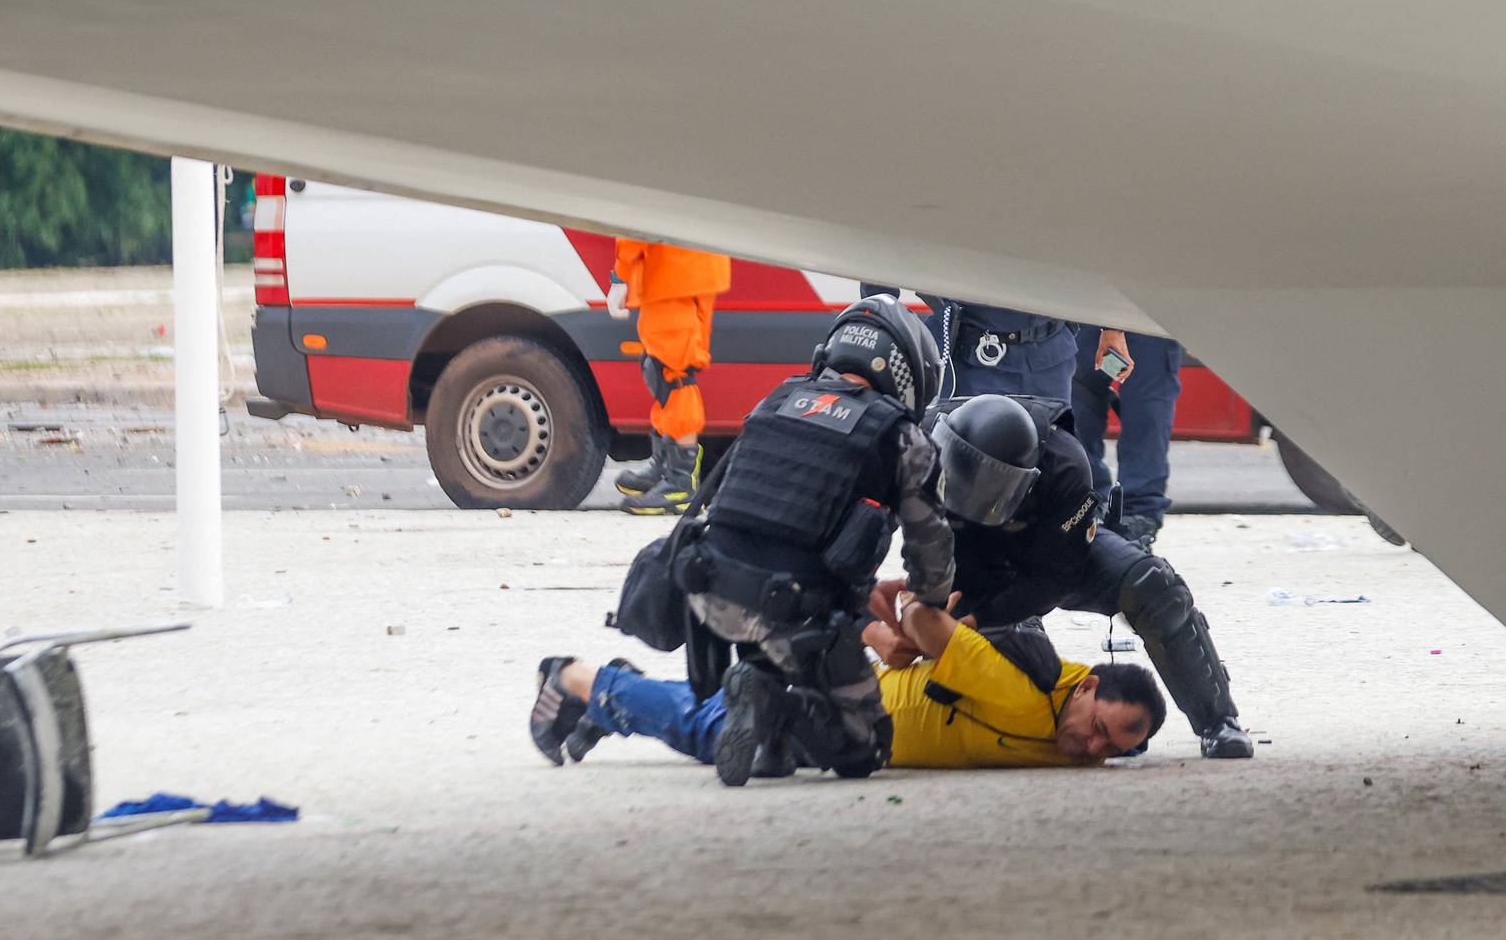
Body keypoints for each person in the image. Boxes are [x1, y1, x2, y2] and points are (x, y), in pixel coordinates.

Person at [647, 295, 956, 786]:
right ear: (905, 371)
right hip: (792, 612)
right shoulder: (900, 437)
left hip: (707, 590)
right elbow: (929, 538)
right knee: (866, 750)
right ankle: (774, 704)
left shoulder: (775, 399)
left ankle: (768, 735)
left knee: (778, 607)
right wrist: (932, 602)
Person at [870, 393, 1252, 759]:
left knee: (1152, 586)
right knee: (990, 666)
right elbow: (870, 528)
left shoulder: (1066, 465)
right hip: (960, 560)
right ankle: (1086, 726)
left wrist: (979, 619)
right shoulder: (915, 441)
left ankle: (1218, 721)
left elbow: (1054, 579)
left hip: (1046, 550)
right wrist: (900, 608)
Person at [531, 592, 1165, 773]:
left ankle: (603, 706)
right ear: (1085, 691)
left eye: (1116, 750)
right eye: (1101, 731)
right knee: (708, 728)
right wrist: (903, 618)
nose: (1096, 750)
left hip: (839, 706)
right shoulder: (1025, 694)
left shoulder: (1071, 724)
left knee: (715, 714)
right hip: (841, 715)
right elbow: (936, 625)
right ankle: (576, 679)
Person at [607, 239, 732, 514]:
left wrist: (621, 275)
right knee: (664, 368)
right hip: (689, 268)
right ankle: (666, 467)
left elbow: (636, 218)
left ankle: (679, 482)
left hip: (671, 273)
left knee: (673, 374)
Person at [1072, 325, 1183, 549]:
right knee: (1080, 410)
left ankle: (1135, 519)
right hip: (1102, 309)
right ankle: (1090, 505)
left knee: (1146, 413)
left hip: (1144, 313)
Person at [924, 297, 1134, 406]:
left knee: (1052, 462)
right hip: (974, 358)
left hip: (1049, 358)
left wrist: (1112, 327)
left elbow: (1091, 247)